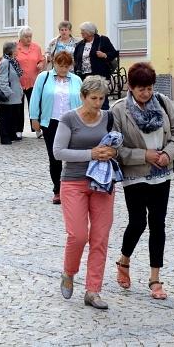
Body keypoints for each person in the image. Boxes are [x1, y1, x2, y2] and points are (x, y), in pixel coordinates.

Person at [111, 62, 174, 301]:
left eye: (149, 87)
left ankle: (155, 278)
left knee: (158, 224)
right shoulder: (119, 110)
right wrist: (144, 155)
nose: (146, 93)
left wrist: (167, 155)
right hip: (135, 176)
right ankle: (124, 260)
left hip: (162, 174)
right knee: (137, 222)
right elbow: (116, 148)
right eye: (141, 88)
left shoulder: (163, 102)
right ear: (131, 87)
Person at [53, 76, 118, 310]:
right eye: (93, 98)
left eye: (101, 98)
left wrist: (112, 151)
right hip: (73, 182)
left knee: (100, 238)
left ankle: (93, 290)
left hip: (102, 183)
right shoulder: (69, 118)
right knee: (78, 235)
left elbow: (117, 146)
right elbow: (59, 152)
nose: (97, 103)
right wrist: (91, 154)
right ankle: (69, 272)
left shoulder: (109, 118)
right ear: (82, 97)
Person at [30, 51, 83, 204]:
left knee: (74, 157)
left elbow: (82, 100)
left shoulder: (76, 80)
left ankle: (73, 189)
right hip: (51, 122)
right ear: (54, 63)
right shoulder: (43, 78)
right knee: (54, 158)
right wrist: (34, 118)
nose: (63, 69)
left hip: (72, 123)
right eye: (61, 65)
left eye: (67, 66)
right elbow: (35, 98)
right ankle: (57, 190)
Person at [72, 22, 119, 110]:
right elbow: (76, 58)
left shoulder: (102, 40)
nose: (81, 33)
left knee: (101, 96)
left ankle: (105, 116)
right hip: (84, 76)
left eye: (83, 31)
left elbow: (114, 53)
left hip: (99, 75)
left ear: (90, 32)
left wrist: (104, 55)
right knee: (87, 97)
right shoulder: (80, 44)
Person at [16, 26, 46, 138]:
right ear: (20, 37)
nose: (29, 39)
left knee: (34, 106)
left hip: (33, 81)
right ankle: (18, 130)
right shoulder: (15, 47)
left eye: (30, 37)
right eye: (26, 37)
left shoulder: (36, 48)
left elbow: (42, 59)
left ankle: (37, 129)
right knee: (18, 107)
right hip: (18, 82)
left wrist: (41, 64)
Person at [0, 41, 24, 145]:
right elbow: (2, 80)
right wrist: (7, 93)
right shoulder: (5, 62)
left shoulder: (13, 61)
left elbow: (16, 79)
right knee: (5, 118)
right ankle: (5, 137)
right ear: (11, 51)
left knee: (13, 116)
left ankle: (12, 134)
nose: (18, 50)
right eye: (16, 49)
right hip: (7, 96)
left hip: (15, 95)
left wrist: (19, 91)